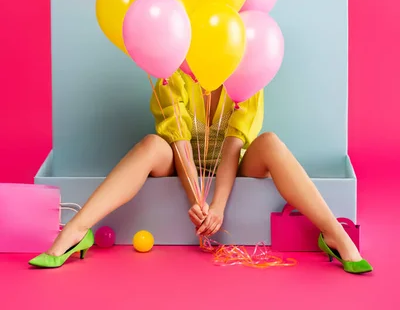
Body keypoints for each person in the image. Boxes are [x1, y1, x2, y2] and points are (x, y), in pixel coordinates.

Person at [29, 71, 372, 273]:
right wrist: (198, 202)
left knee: (270, 142)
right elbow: (178, 144)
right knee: (152, 143)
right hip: (178, 164)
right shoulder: (172, 67)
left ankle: (333, 234)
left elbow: (233, 147)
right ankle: (75, 231)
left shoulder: (249, 68)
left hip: (231, 169)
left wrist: (217, 207)